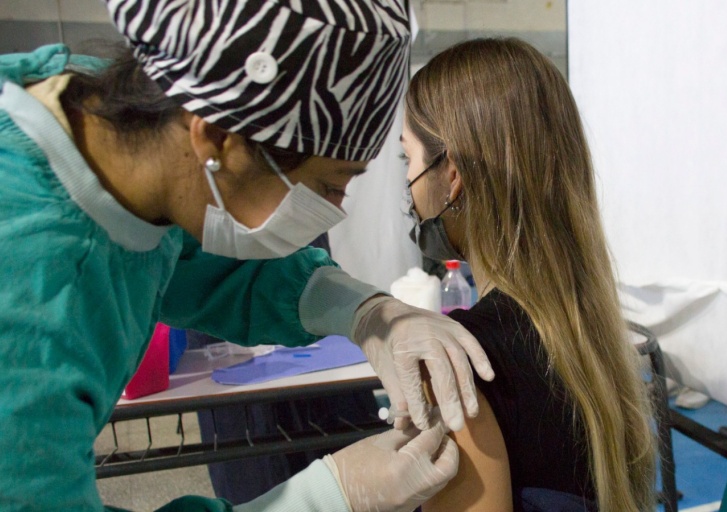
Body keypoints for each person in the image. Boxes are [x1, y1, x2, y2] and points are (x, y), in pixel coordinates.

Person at [0, 1, 497, 510]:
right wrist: (326, 497)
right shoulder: (27, 300)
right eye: (329, 185)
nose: (335, 213)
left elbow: (204, 266)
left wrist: (366, 311)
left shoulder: (123, 128)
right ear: (216, 138)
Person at [399, 38, 657, 512]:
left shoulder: (461, 360)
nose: (408, 183)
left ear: (451, 175)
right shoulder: (587, 330)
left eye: (407, 159)